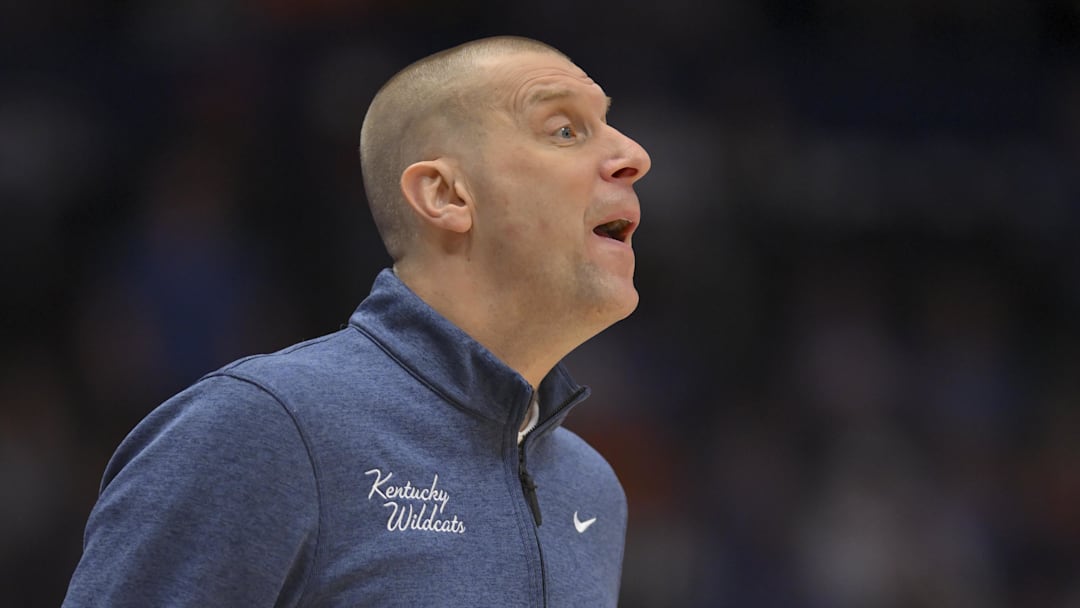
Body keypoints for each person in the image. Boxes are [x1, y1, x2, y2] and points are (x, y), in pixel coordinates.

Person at [63, 35, 651, 607]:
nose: (635, 156)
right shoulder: (264, 428)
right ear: (446, 195)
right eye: (565, 130)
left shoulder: (590, 486)